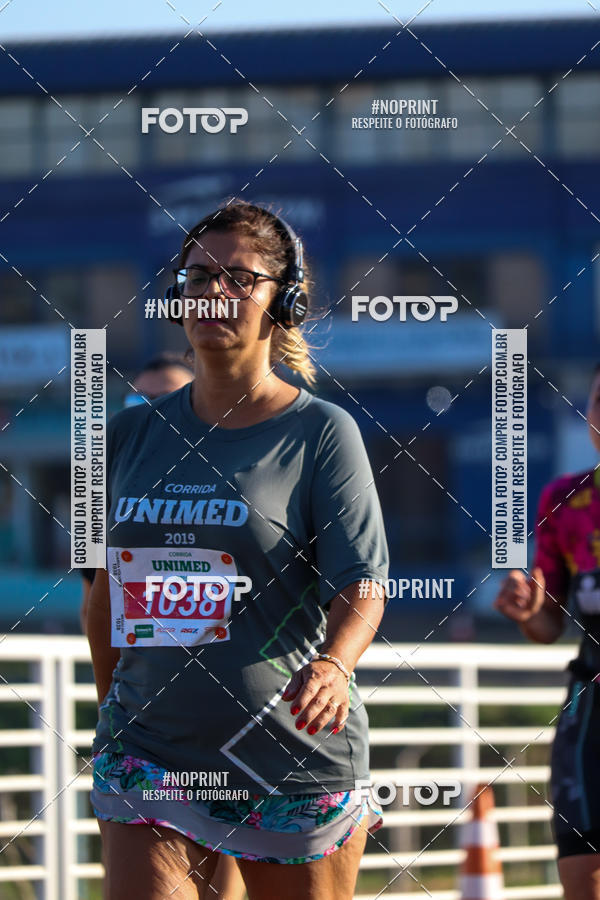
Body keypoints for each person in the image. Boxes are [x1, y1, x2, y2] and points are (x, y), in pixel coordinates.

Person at [87, 200, 389, 900]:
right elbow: (104, 594)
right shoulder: (124, 437)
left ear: (283, 301)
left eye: (239, 278)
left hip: (290, 757)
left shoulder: (322, 432)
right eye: (198, 276)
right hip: (151, 754)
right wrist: (112, 719)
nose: (212, 292)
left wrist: (336, 664)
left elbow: (363, 581)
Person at [494, 363, 600, 900]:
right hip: (590, 705)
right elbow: (548, 627)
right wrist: (526, 611)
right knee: (583, 871)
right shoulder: (567, 500)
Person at [79, 353, 194, 634]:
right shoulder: (102, 494)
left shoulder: (239, 479)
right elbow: (92, 606)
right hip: (140, 654)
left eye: (168, 401)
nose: (151, 413)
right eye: (138, 401)